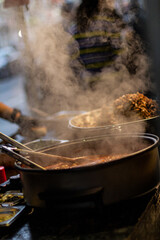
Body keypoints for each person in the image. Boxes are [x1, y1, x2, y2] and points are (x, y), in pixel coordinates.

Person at [68, 0, 147, 89]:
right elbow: (120, 53)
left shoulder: (75, 28)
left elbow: (73, 59)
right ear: (100, 3)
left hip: (89, 85)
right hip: (111, 83)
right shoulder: (109, 23)